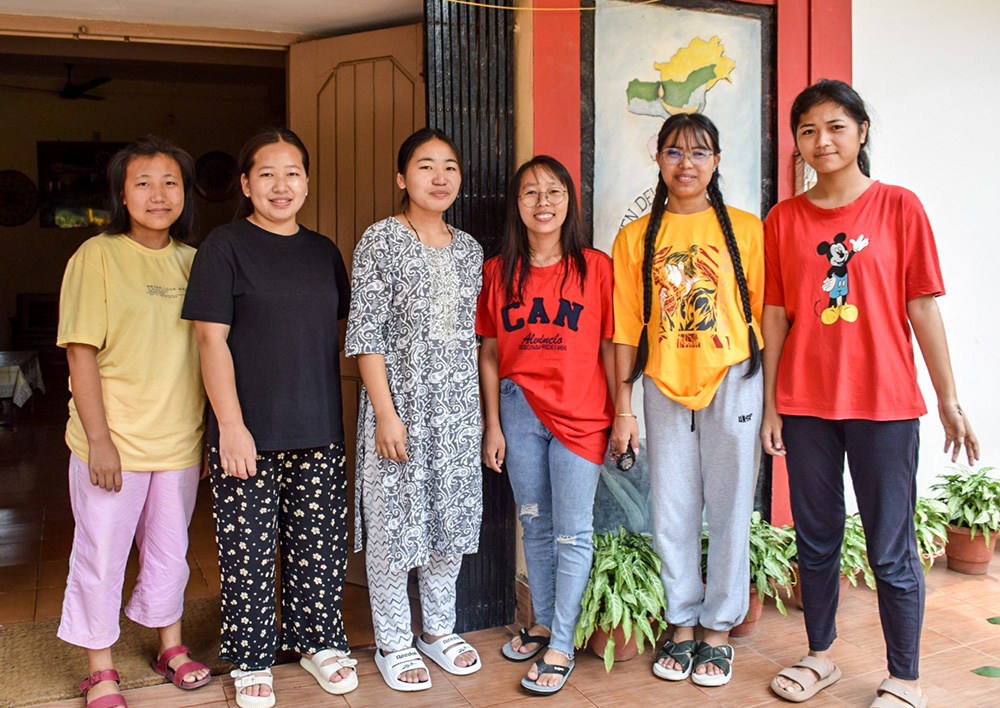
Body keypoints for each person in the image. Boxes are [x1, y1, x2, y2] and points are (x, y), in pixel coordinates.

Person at [761, 79, 979, 708]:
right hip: (806, 404)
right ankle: (820, 655)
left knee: (890, 544)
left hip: (885, 403)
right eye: (807, 130)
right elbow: (776, 313)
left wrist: (948, 397)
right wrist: (776, 401)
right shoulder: (785, 219)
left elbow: (922, 306)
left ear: (861, 132)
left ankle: (904, 675)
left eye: (835, 126)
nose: (821, 141)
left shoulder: (899, 207)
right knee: (817, 535)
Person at [181, 128, 356, 708]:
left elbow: (333, 337)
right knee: (248, 552)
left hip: (319, 427)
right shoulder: (224, 247)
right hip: (246, 433)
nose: (281, 186)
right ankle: (252, 657)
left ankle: (319, 642)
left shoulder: (324, 251)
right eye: (267, 174)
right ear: (246, 184)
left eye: (293, 173)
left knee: (320, 548)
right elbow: (210, 341)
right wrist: (230, 426)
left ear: (306, 181)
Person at [57, 136, 211, 708]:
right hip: (112, 441)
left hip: (177, 441)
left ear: (185, 194)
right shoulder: (96, 257)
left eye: (170, 182)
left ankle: (169, 645)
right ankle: (100, 668)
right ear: (121, 194)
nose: (158, 194)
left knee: (171, 553)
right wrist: (99, 441)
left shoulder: (195, 262)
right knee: (101, 553)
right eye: (143, 182)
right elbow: (80, 353)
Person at [610, 113, 764, 688]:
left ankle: (719, 630)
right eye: (674, 153)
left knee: (728, 509)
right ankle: (680, 623)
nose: (686, 164)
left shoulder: (747, 230)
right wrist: (622, 403)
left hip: (733, 380)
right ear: (658, 160)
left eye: (699, 153)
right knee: (671, 509)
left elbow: (768, 312)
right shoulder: (635, 238)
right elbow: (626, 328)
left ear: (717, 162)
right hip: (664, 383)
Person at [346, 127, 483, 692]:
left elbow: (475, 338)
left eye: (449, 166)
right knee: (393, 527)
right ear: (402, 179)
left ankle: (439, 631)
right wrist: (384, 412)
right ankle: (394, 640)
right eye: (425, 166)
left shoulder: (471, 249)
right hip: (398, 408)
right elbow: (365, 333)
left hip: (457, 410)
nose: (440, 177)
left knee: (448, 523)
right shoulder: (380, 240)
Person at [478, 155, 614, 695]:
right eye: (531, 193)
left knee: (572, 529)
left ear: (568, 201)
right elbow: (489, 352)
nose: (543, 203)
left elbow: (610, 347)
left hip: (581, 413)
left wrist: (621, 413)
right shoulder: (497, 271)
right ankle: (545, 622)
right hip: (518, 408)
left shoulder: (595, 268)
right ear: (517, 205)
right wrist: (493, 424)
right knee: (533, 520)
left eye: (553, 192)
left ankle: (562, 642)